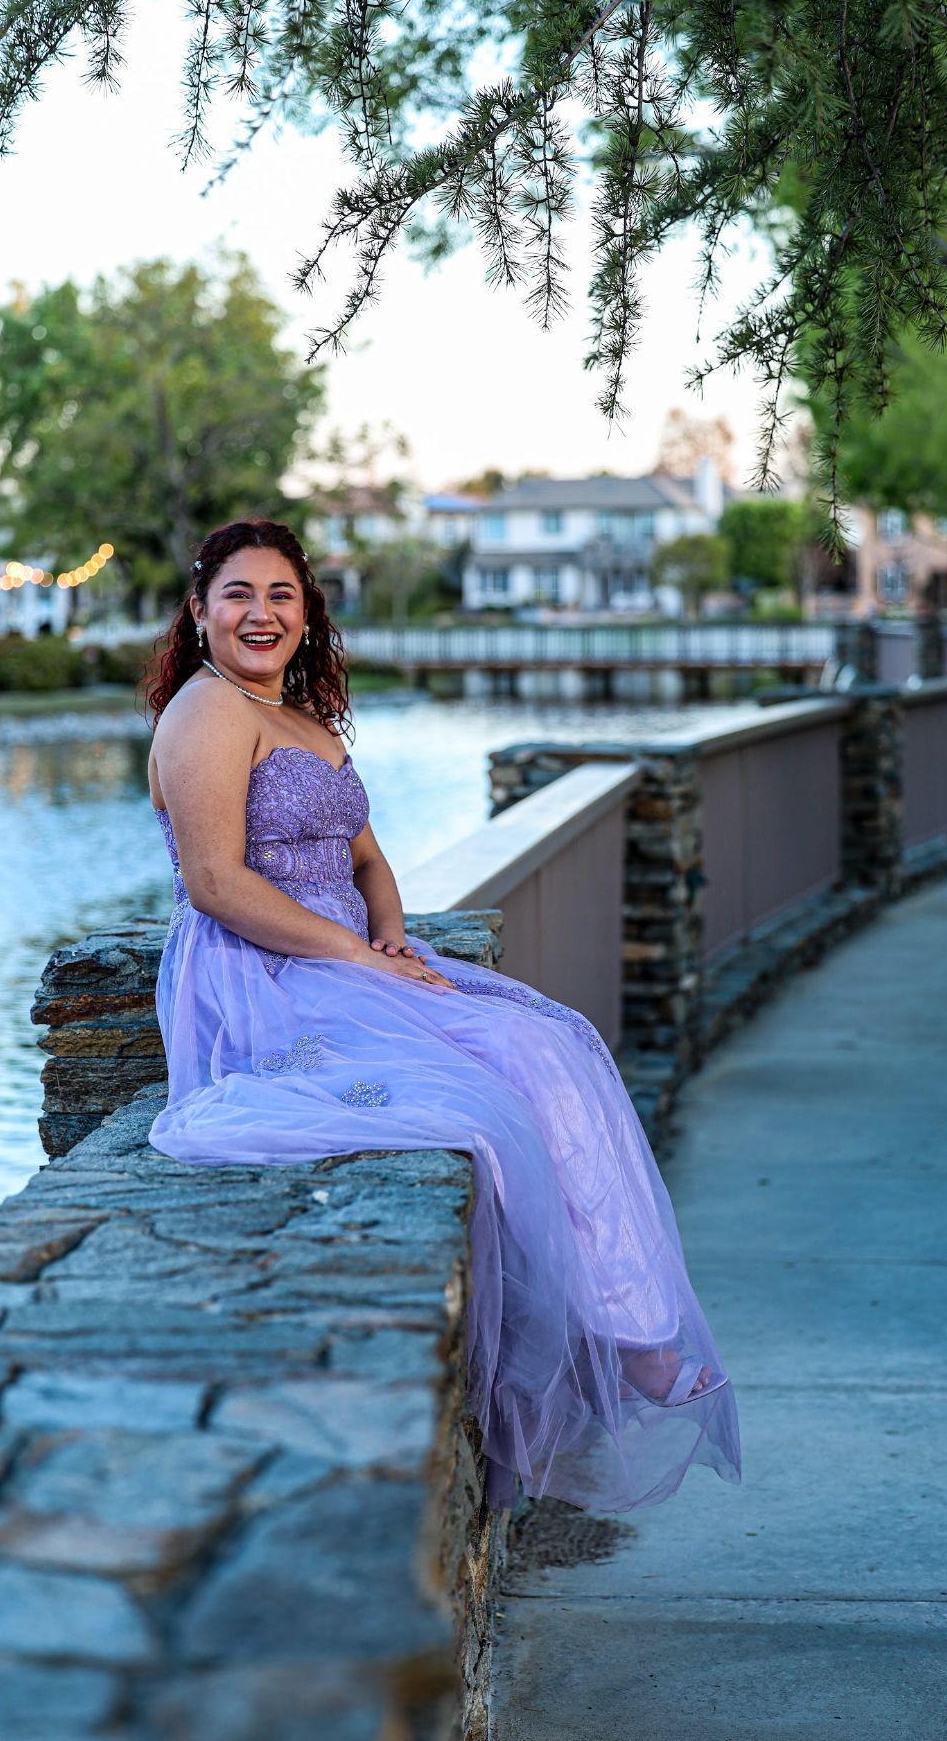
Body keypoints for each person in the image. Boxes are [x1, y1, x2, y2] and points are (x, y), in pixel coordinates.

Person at [144, 518, 741, 1513]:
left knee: (552, 1042)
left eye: (281, 594)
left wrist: (388, 939)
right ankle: (628, 1339)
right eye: (238, 594)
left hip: (345, 960)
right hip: (263, 972)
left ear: (307, 613)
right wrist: (354, 959)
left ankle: (629, 1326)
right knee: (498, 1081)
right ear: (200, 611)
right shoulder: (205, 712)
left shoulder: (303, 718)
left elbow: (369, 860)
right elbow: (215, 884)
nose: (261, 613)